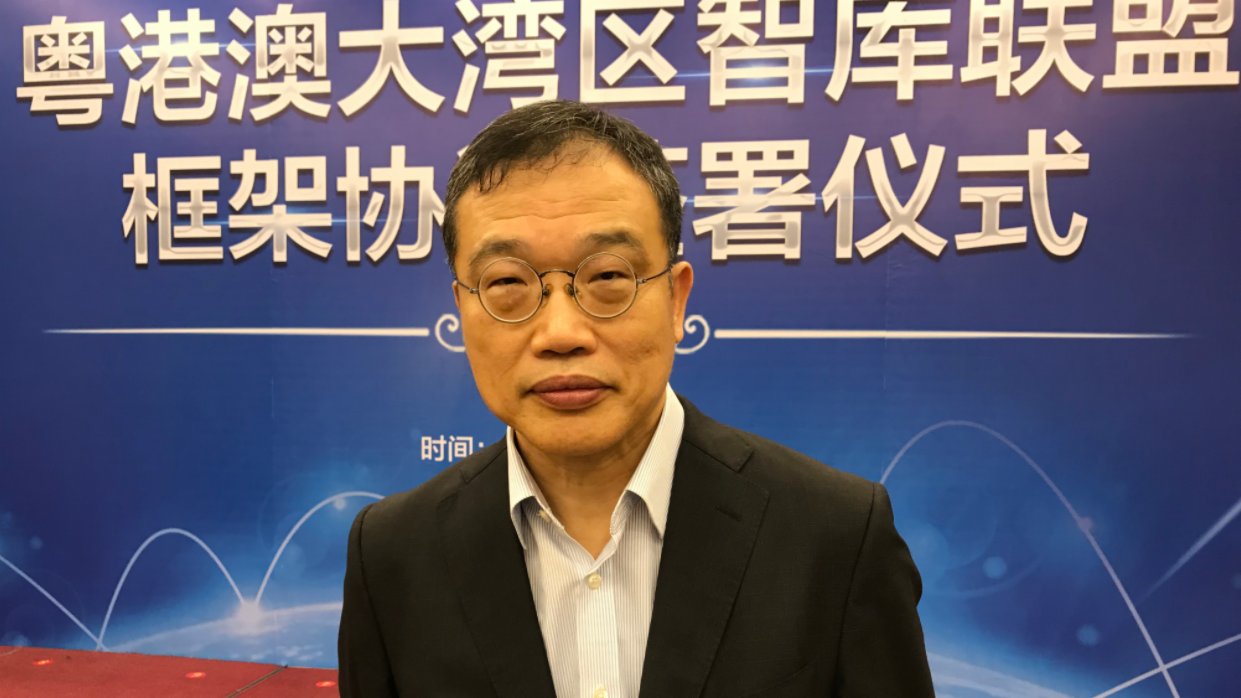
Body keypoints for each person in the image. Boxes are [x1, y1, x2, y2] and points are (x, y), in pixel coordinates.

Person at [338, 100, 934, 697]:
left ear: (676, 299)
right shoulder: (392, 554)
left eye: (607, 278)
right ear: (462, 309)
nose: (561, 333)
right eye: (508, 283)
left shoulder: (835, 536)